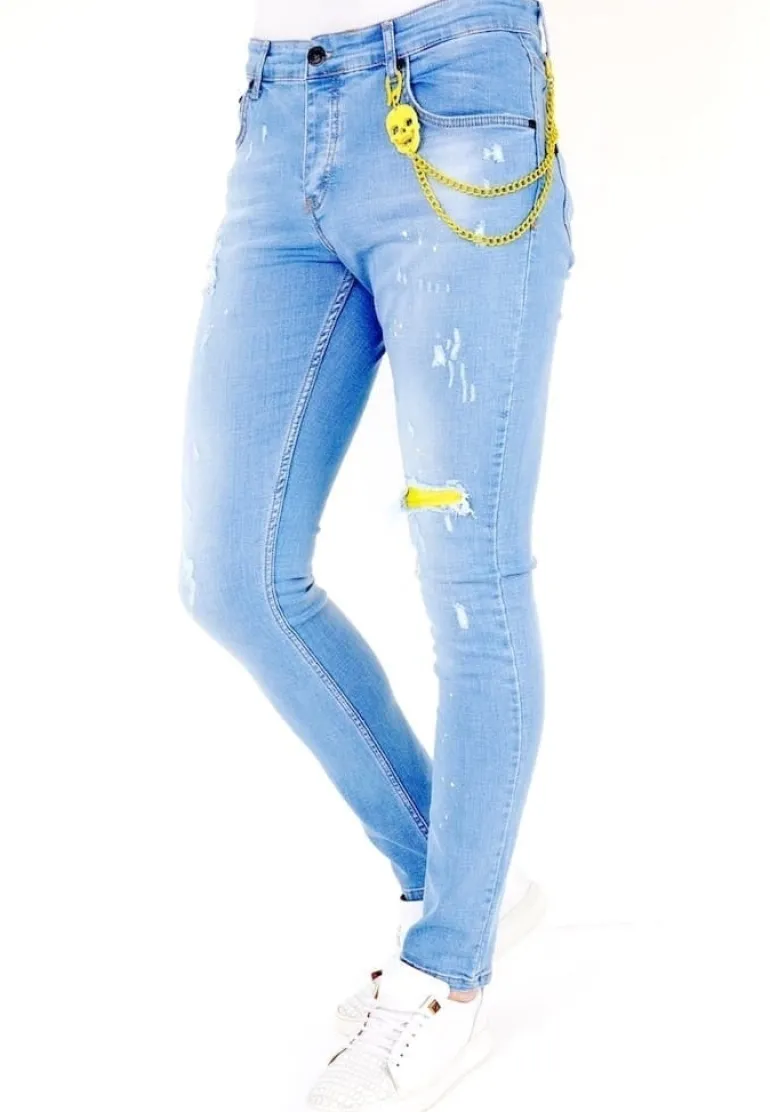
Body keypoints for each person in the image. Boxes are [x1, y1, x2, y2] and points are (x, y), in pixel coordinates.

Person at [178, 0, 574, 1106]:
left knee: (469, 577)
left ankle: (445, 967)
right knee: (230, 576)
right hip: (275, 114)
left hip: (457, 87)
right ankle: (459, 873)